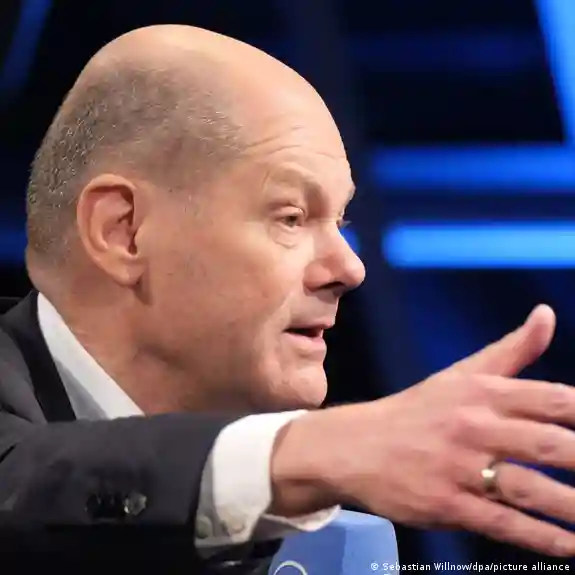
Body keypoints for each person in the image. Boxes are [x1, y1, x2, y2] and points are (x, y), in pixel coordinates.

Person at [2, 23, 575, 571]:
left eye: (341, 220)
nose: (349, 269)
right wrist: (301, 455)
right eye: (292, 217)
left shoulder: (313, 536)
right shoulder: (277, 478)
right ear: (124, 231)